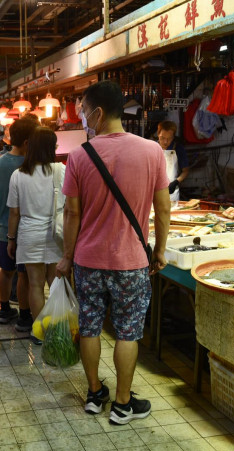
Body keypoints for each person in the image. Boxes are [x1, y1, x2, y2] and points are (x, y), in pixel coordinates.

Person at [56, 80, 170, 424]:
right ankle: (122, 404)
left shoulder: (79, 156)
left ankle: (94, 394)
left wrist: (66, 255)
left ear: (99, 112)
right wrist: (160, 250)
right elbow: (162, 209)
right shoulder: (152, 151)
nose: (83, 120)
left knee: (90, 326)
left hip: (88, 261)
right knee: (127, 331)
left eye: (84, 113)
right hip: (131, 262)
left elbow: (71, 213)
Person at [6, 126, 64, 320]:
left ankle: (40, 332)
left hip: (29, 235)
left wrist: (11, 239)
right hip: (56, 234)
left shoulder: (18, 174)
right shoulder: (61, 170)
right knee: (55, 284)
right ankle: (58, 331)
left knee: (35, 285)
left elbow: (14, 213)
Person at [0, 118, 38, 331]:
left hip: (2, 226)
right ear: (29, 142)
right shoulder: (28, 164)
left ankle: (4, 310)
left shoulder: (0, 161)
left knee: (6, 270)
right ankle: (24, 316)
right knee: (24, 274)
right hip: (21, 228)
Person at [156, 121, 189, 202]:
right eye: (162, 138)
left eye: (169, 138)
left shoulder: (178, 148)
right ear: (158, 135)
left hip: (172, 192)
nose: (165, 142)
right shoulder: (153, 147)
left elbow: (186, 171)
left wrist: (176, 182)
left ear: (173, 137)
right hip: (155, 191)